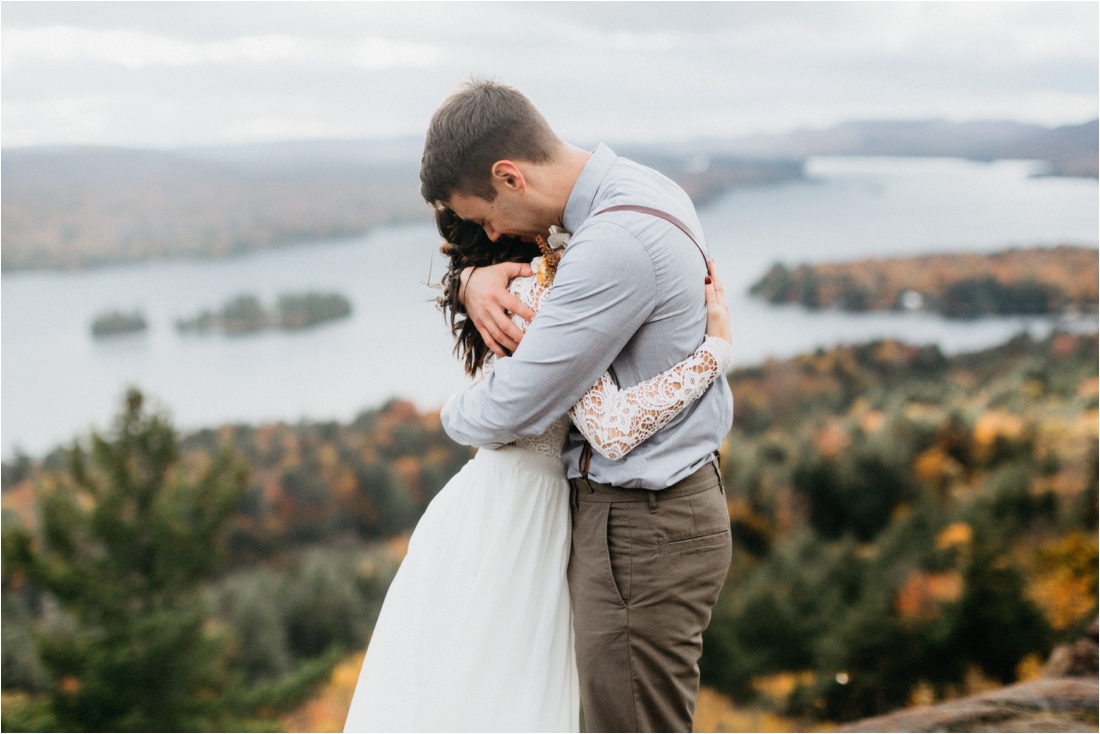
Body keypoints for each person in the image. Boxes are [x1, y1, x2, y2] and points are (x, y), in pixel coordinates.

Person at [342, 207, 732, 732]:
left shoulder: (511, 289)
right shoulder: (537, 295)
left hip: (500, 498)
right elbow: (612, 430)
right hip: (521, 515)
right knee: (507, 686)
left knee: (478, 680)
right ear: (496, 225)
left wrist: (466, 284)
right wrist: (713, 352)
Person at [425, 79, 735, 732]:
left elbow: (517, 403)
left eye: (482, 217)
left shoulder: (611, 244)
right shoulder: (642, 190)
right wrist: (472, 276)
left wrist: (449, 416)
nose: (487, 231)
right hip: (648, 517)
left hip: (640, 527)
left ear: (509, 176)